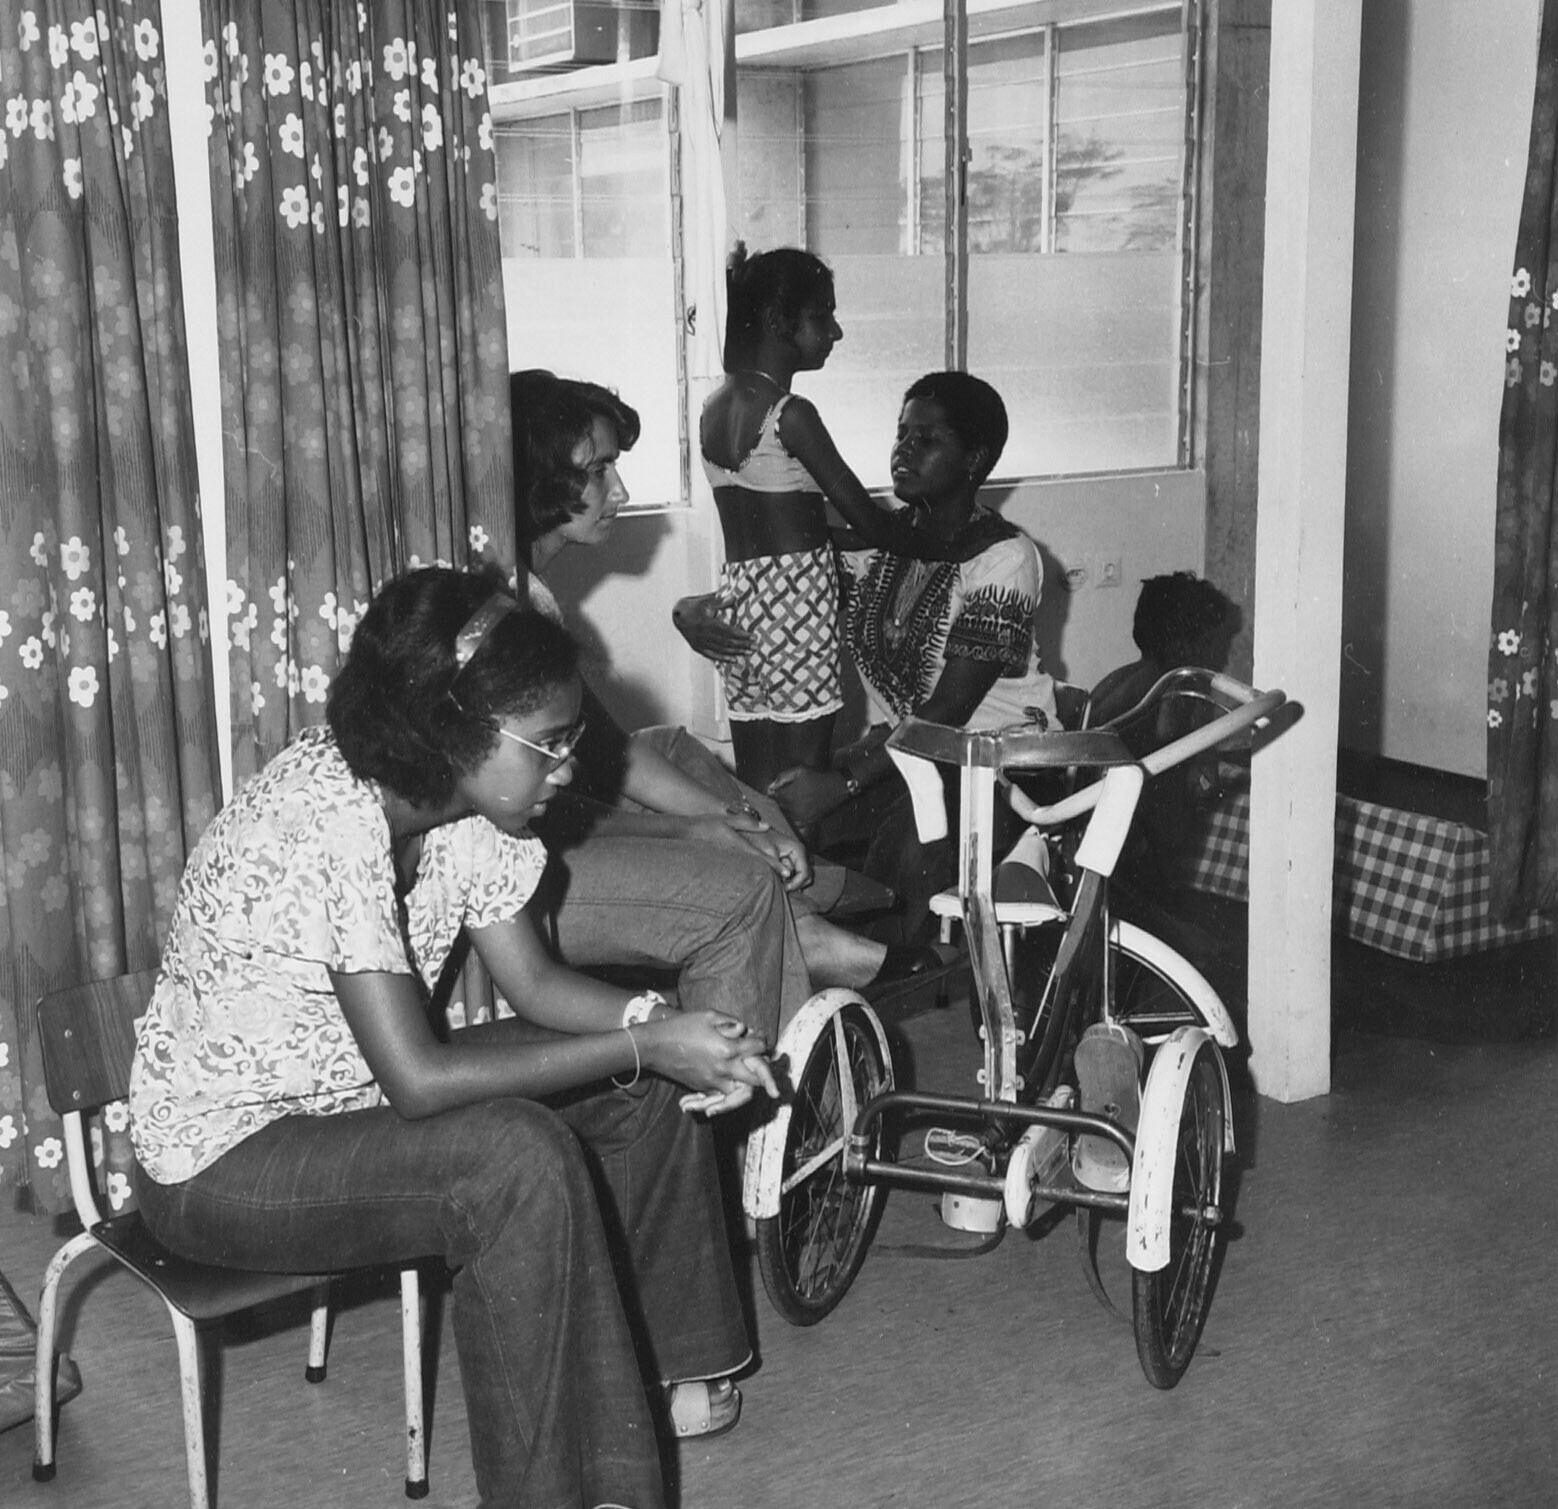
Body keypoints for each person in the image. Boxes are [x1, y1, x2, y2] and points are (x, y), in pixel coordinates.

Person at [128, 566, 779, 1507]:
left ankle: (666, 1379)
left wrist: (662, 1027)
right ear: (451, 727)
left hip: (346, 1104)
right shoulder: (323, 819)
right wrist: (650, 1040)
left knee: (635, 1091)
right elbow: (420, 1082)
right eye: (549, 744)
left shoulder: (467, 805)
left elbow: (537, 984)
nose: (568, 769)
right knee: (511, 1158)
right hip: (222, 1163)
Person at [511, 367, 958, 1000]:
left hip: (557, 812)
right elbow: (553, 812)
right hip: (527, 855)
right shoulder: (511, 606)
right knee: (726, 847)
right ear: (538, 476)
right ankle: (804, 930)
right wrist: (701, 829)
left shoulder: (531, 590)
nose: (621, 489)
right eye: (598, 470)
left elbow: (609, 749)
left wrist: (730, 818)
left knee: (673, 748)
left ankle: (802, 914)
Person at [678, 370, 1057, 945]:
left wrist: (844, 784)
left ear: (975, 460)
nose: (904, 450)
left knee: (895, 864)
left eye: (927, 440)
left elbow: (949, 710)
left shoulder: (1004, 559)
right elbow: (778, 587)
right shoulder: (875, 544)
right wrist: (690, 610)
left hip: (997, 769)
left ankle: (885, 974)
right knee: (779, 822)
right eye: (902, 434)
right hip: (910, 758)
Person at [696, 245, 971, 794]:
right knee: (803, 788)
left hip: (742, 600)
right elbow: (871, 523)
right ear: (778, 322)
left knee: (759, 784)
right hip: (797, 606)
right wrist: (955, 546)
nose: (836, 332)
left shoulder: (715, 405)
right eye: (822, 317)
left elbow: (792, 526)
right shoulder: (790, 415)